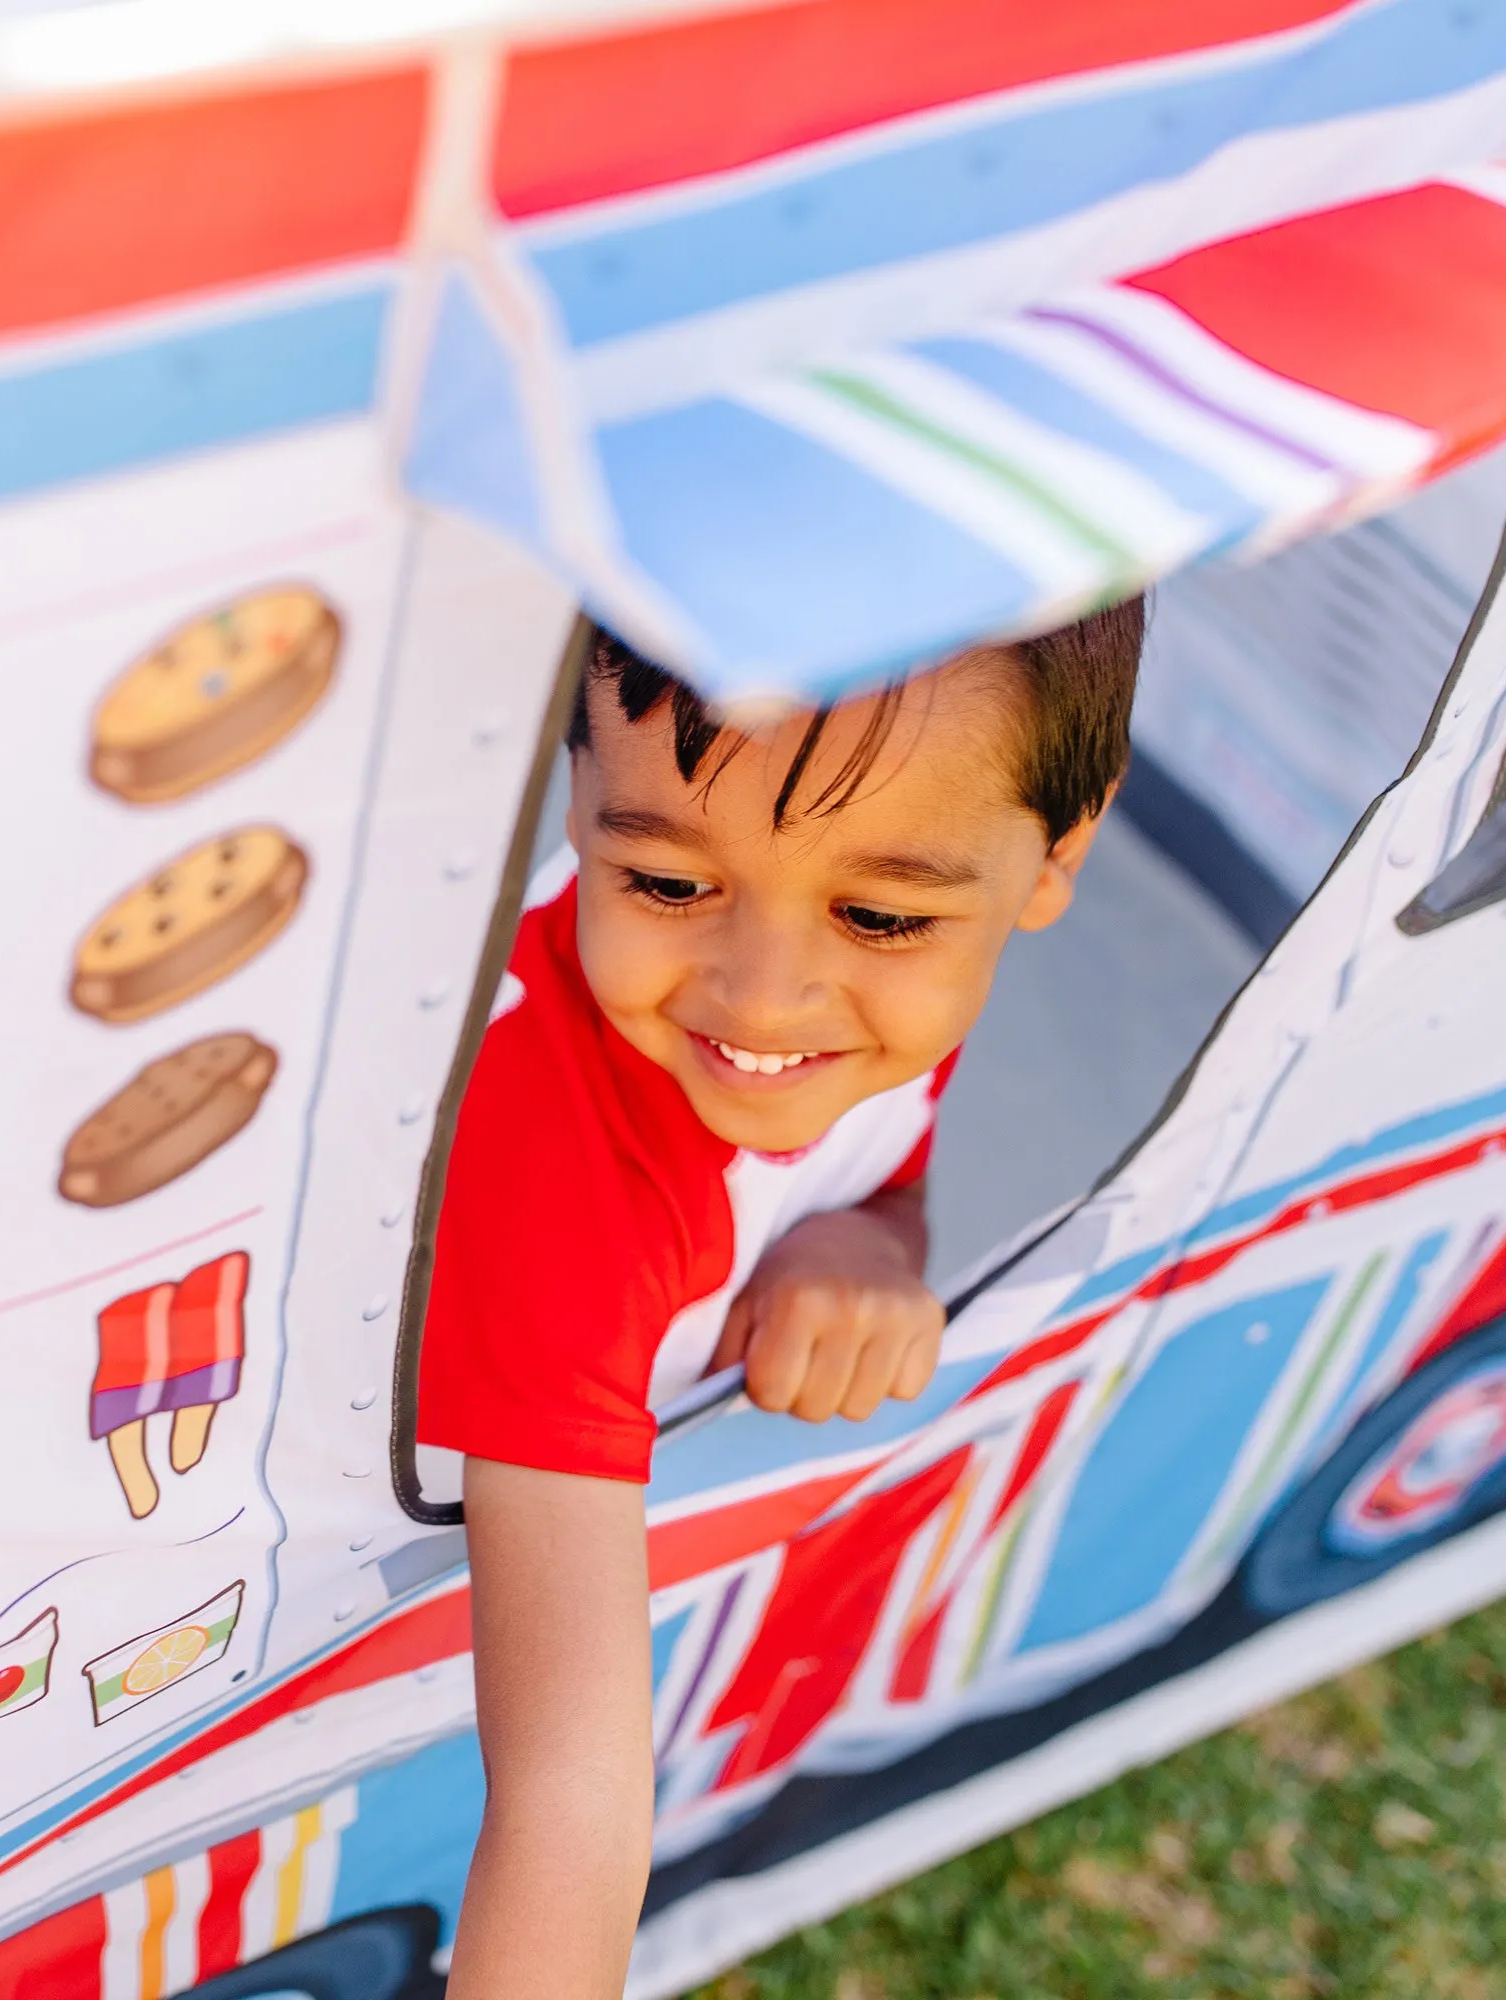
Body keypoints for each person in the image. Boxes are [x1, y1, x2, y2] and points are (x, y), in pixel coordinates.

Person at [418, 602, 1145, 1998]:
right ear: (571, 791)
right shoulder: (565, 1174)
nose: (765, 998)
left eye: (877, 914)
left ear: (1057, 853)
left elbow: (882, 1165)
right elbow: (572, 1800)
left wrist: (871, 1241)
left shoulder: (875, 1020)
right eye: (668, 887)